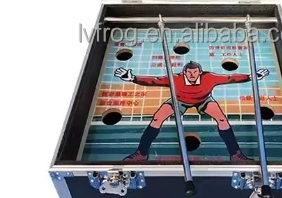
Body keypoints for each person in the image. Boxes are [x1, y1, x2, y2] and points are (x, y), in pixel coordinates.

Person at [115, 61, 270, 162]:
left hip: (204, 100)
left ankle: (236, 154)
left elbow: (230, 78)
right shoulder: (175, 79)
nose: (192, 75)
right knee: (157, 118)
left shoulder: (209, 78)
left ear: (200, 72)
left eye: (195, 72)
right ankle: (141, 153)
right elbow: (154, 80)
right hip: (179, 100)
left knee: (222, 119)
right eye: (189, 73)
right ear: (184, 73)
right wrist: (132, 78)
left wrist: (251, 77)